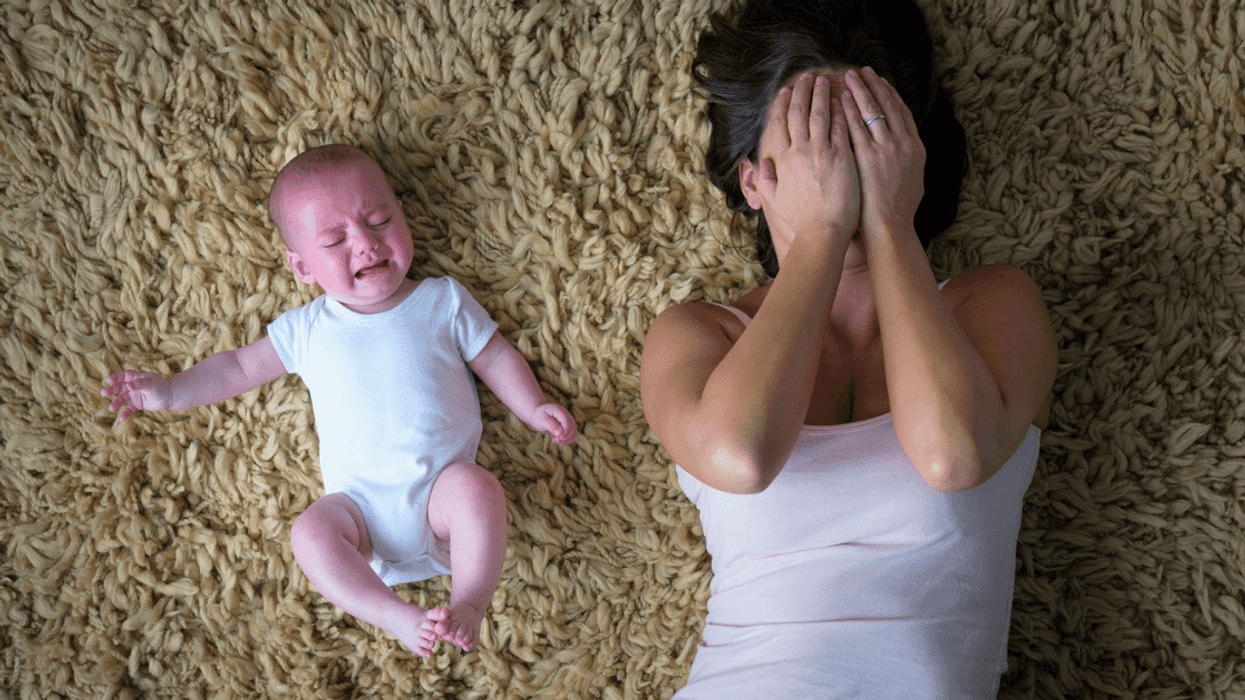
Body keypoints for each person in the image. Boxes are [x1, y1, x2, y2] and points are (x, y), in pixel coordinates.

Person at [640, 0, 1057, 696]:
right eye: (811, 143)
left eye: (864, 135)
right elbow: (739, 457)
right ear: (752, 180)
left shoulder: (991, 304)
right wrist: (823, 232)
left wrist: (889, 221)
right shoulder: (697, 335)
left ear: (908, 156)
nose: (842, 165)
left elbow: (954, 454)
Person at [101, 145, 577, 659]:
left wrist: (531, 407)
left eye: (380, 220)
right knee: (309, 532)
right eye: (335, 240)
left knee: (478, 488)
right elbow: (238, 367)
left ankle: (468, 604)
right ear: (303, 266)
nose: (366, 243)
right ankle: (394, 614)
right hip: (360, 518)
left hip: (442, 498)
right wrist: (170, 391)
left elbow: (494, 356)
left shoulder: (441, 300)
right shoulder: (308, 328)